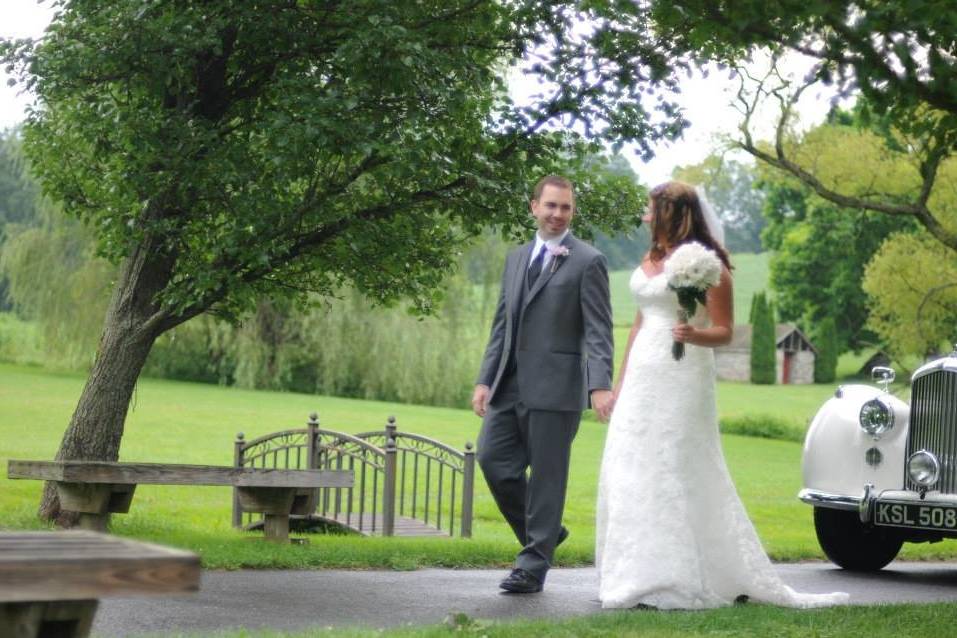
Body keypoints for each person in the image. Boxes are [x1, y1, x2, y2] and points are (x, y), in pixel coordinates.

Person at [595, 181, 848, 609]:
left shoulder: (706, 263)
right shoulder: (650, 257)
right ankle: (633, 574)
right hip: (644, 373)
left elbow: (725, 330)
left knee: (672, 464)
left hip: (682, 374)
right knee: (631, 465)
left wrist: (694, 334)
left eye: (650, 208)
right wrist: (620, 382)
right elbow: (639, 325)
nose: (644, 214)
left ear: (672, 213)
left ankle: (677, 579)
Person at [473, 175, 614, 594]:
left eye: (565, 208)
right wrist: (485, 380)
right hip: (507, 386)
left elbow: (599, 331)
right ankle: (546, 537)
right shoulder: (516, 258)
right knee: (493, 461)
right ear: (533, 206)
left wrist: (599, 384)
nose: (557, 214)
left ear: (572, 211)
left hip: (557, 389)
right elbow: (502, 325)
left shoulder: (588, 261)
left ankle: (532, 566)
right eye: (550, 205)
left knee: (548, 479)